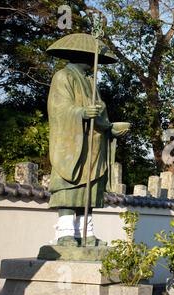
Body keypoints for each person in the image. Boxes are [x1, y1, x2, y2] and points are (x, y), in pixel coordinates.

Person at [46, 33, 130, 246]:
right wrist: (81, 113)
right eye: (91, 58)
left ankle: (86, 232)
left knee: (90, 190)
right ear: (80, 56)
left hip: (94, 146)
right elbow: (58, 108)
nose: (94, 64)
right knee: (70, 186)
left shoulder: (92, 83)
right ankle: (65, 232)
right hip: (73, 144)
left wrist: (111, 128)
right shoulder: (63, 76)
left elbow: (99, 116)